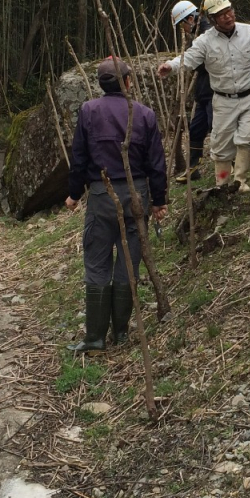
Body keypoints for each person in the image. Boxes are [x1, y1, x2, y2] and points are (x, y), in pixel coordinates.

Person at [65, 58, 168, 353]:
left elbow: (79, 158)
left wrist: (74, 194)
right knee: (128, 262)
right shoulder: (144, 114)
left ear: (100, 84)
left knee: (97, 262)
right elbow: (156, 163)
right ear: (127, 82)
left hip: (101, 193)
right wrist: (159, 200)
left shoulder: (89, 111)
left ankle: (95, 337)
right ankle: (121, 334)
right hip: (137, 194)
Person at [159, 0, 250, 193]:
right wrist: (170, 66)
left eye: (229, 11)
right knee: (220, 147)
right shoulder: (205, 41)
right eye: (221, 14)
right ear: (212, 19)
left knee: (248, 139)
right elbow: (189, 58)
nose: (228, 17)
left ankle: (240, 181)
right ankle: (222, 184)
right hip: (223, 100)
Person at [170, 0, 214, 183]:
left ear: (190, 19)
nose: (183, 30)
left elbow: (199, 61)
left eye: (182, 25)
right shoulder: (197, 35)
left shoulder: (208, 33)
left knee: (218, 128)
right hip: (203, 91)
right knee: (196, 129)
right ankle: (193, 168)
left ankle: (231, 167)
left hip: (214, 89)